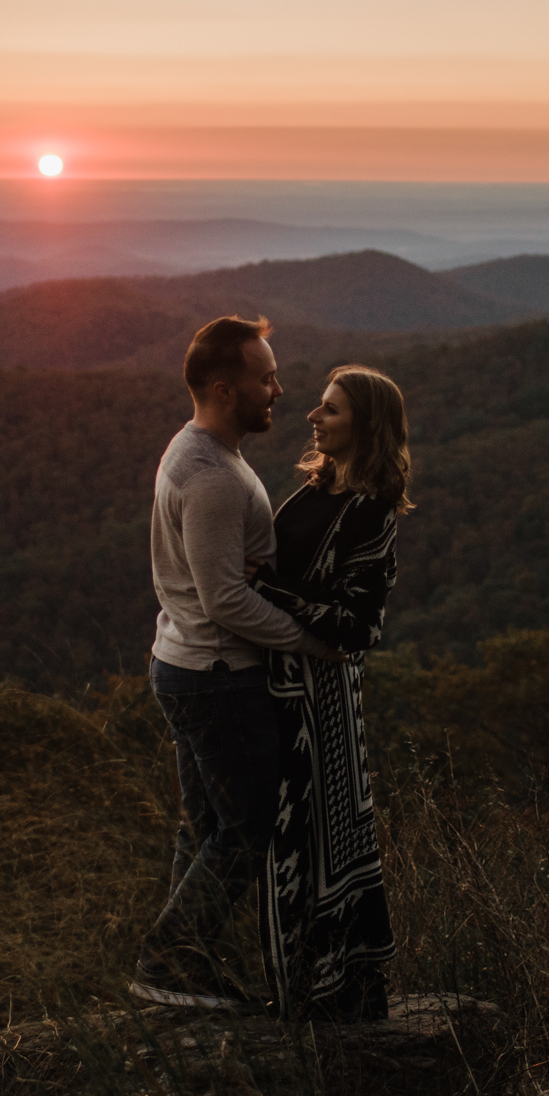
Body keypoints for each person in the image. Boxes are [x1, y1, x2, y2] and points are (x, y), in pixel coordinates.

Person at [129, 316, 338, 1010]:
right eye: (264, 378)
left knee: (207, 829)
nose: (277, 389)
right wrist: (315, 641)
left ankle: (182, 964)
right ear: (224, 388)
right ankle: (165, 963)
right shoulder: (212, 475)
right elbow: (223, 603)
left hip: (184, 664)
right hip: (218, 675)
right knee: (248, 829)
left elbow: (216, 581)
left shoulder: (195, 452)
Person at [250, 364, 412, 1022]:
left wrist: (260, 592)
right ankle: (300, 986)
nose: (313, 417)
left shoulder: (370, 509)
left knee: (323, 841)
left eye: (331, 410)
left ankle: (336, 988)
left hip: (322, 702)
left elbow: (357, 626)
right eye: (319, 406)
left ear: (365, 426)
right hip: (282, 691)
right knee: (288, 842)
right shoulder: (312, 490)